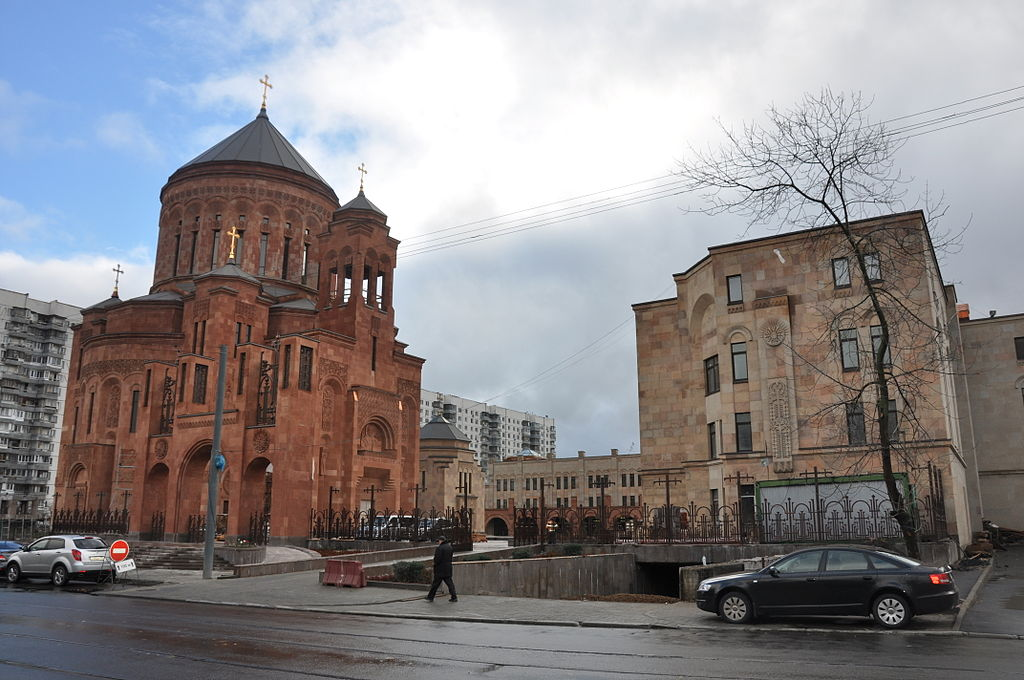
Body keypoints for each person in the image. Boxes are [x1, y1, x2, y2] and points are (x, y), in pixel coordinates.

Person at [425, 535, 457, 602]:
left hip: (440, 569)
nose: (438, 542)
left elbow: (437, 559)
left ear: (441, 541)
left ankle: (430, 597)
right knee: (450, 584)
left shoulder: (440, 548)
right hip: (448, 568)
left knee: (435, 584)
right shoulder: (449, 547)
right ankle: (454, 597)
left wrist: (434, 564)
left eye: (439, 541)